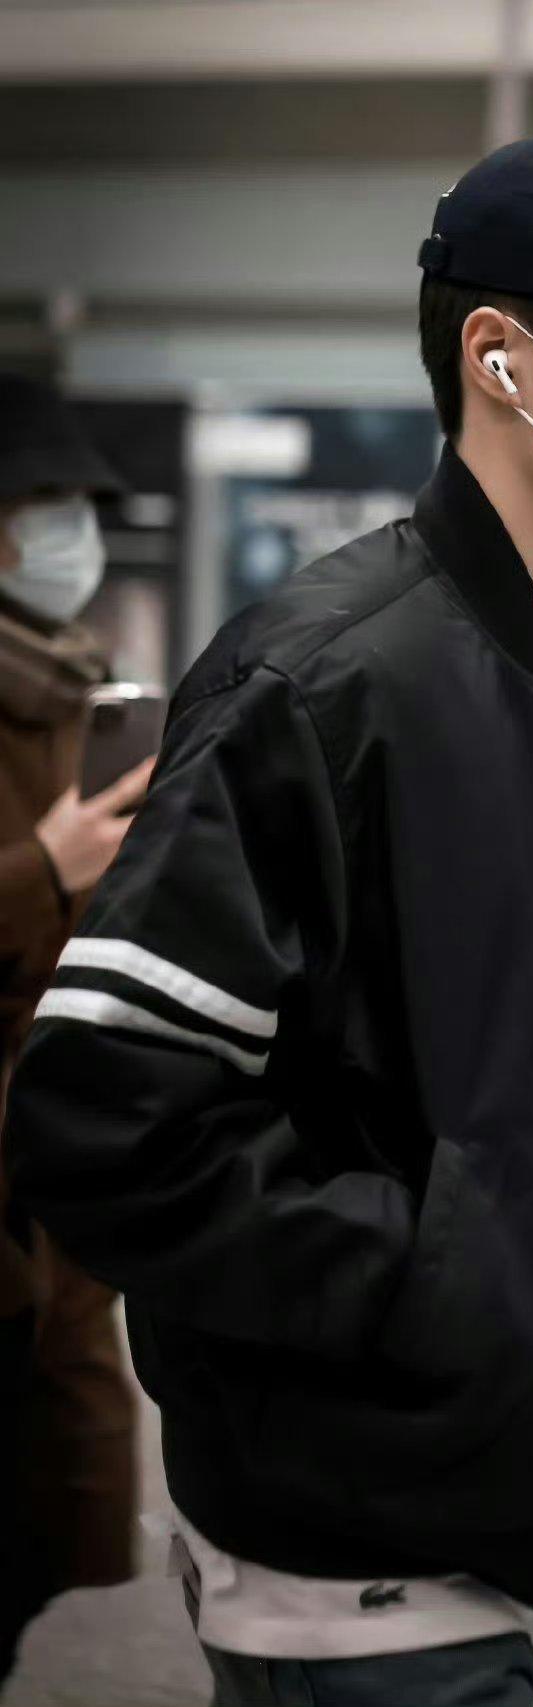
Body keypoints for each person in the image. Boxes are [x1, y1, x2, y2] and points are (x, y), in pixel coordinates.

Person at [2, 132, 533, 1707]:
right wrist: (446, 1278)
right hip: (366, 1576)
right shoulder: (326, 678)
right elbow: (106, 1127)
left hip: (499, 1521)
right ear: (499, 360)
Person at [0, 373, 156, 1688]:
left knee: (32, 1546)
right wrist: (38, 872)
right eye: (43, 505)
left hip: (47, 1187)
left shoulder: (73, 686)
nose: (72, 537)